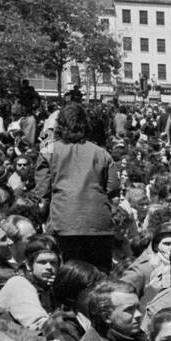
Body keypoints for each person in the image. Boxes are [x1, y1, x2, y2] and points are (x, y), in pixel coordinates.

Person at [33, 103, 119, 272]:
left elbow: (42, 192)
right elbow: (113, 187)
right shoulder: (100, 152)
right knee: (99, 277)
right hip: (98, 224)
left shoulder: (48, 150)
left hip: (63, 223)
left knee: (68, 276)